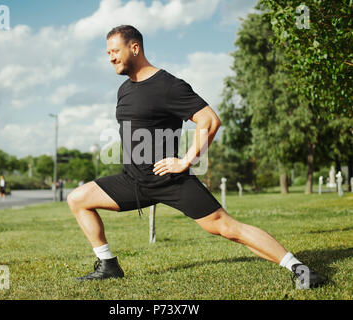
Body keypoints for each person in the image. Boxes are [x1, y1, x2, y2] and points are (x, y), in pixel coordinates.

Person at [67, 25, 325, 289]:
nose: (110, 57)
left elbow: (209, 120)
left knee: (226, 227)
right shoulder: (125, 89)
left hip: (169, 180)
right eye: (107, 52)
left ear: (134, 48)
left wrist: (187, 160)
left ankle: (301, 270)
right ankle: (108, 265)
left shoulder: (168, 85)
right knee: (78, 199)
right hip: (132, 180)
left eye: (115, 50)